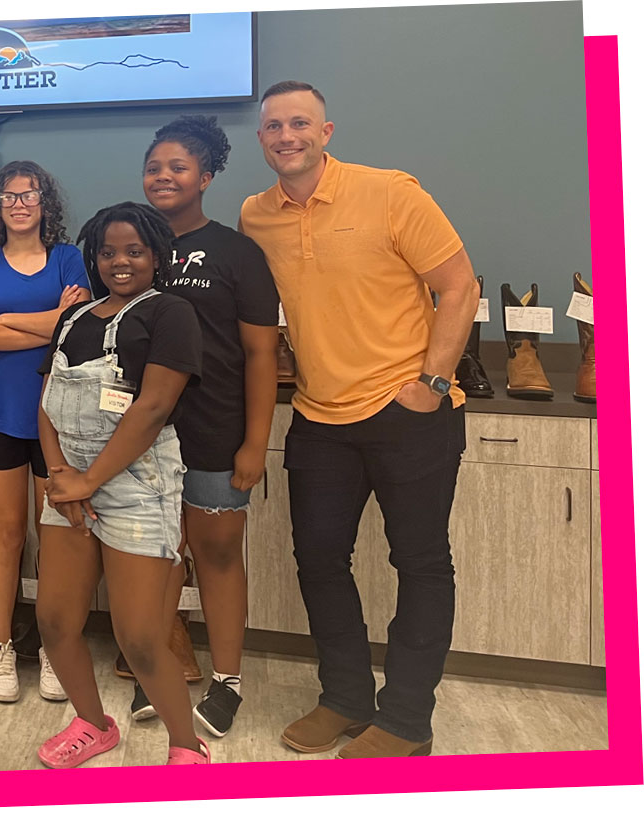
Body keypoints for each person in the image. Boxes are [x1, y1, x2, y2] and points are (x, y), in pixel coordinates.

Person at [240, 81, 477, 758]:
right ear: (260, 140)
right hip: (318, 415)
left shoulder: (391, 192)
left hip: (409, 411)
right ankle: (345, 697)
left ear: (326, 131)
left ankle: (406, 719)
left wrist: (431, 383)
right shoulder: (255, 216)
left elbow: (459, 285)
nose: (286, 136)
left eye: (299, 124)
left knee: (421, 562)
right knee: (317, 560)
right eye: (273, 127)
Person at [34, 202, 207, 767]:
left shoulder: (170, 313)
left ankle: (186, 748)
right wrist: (63, 475)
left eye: (134, 250)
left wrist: (88, 480)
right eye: (108, 251)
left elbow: (153, 406)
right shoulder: (73, 318)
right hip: (70, 483)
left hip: (137, 482)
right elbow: (49, 404)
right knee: (55, 620)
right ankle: (92, 723)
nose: (120, 262)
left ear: (156, 254)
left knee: (139, 638)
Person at [134, 115, 280, 735]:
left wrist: (255, 442)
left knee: (217, 554)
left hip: (217, 429)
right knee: (160, 557)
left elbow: (260, 354)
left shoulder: (237, 251)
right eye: (153, 167)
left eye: (177, 167)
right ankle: (158, 669)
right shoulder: (131, 244)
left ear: (206, 176)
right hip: (143, 436)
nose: (163, 176)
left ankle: (226, 681)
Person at [0, 160, 89, 703]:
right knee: (9, 532)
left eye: (29, 194)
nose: (19, 203)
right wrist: (46, 321)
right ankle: (1, 645)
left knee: (56, 537)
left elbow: (78, 327)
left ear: (45, 203)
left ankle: (57, 647)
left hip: (58, 421)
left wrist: (6, 320)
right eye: (8, 196)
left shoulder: (69, 258)